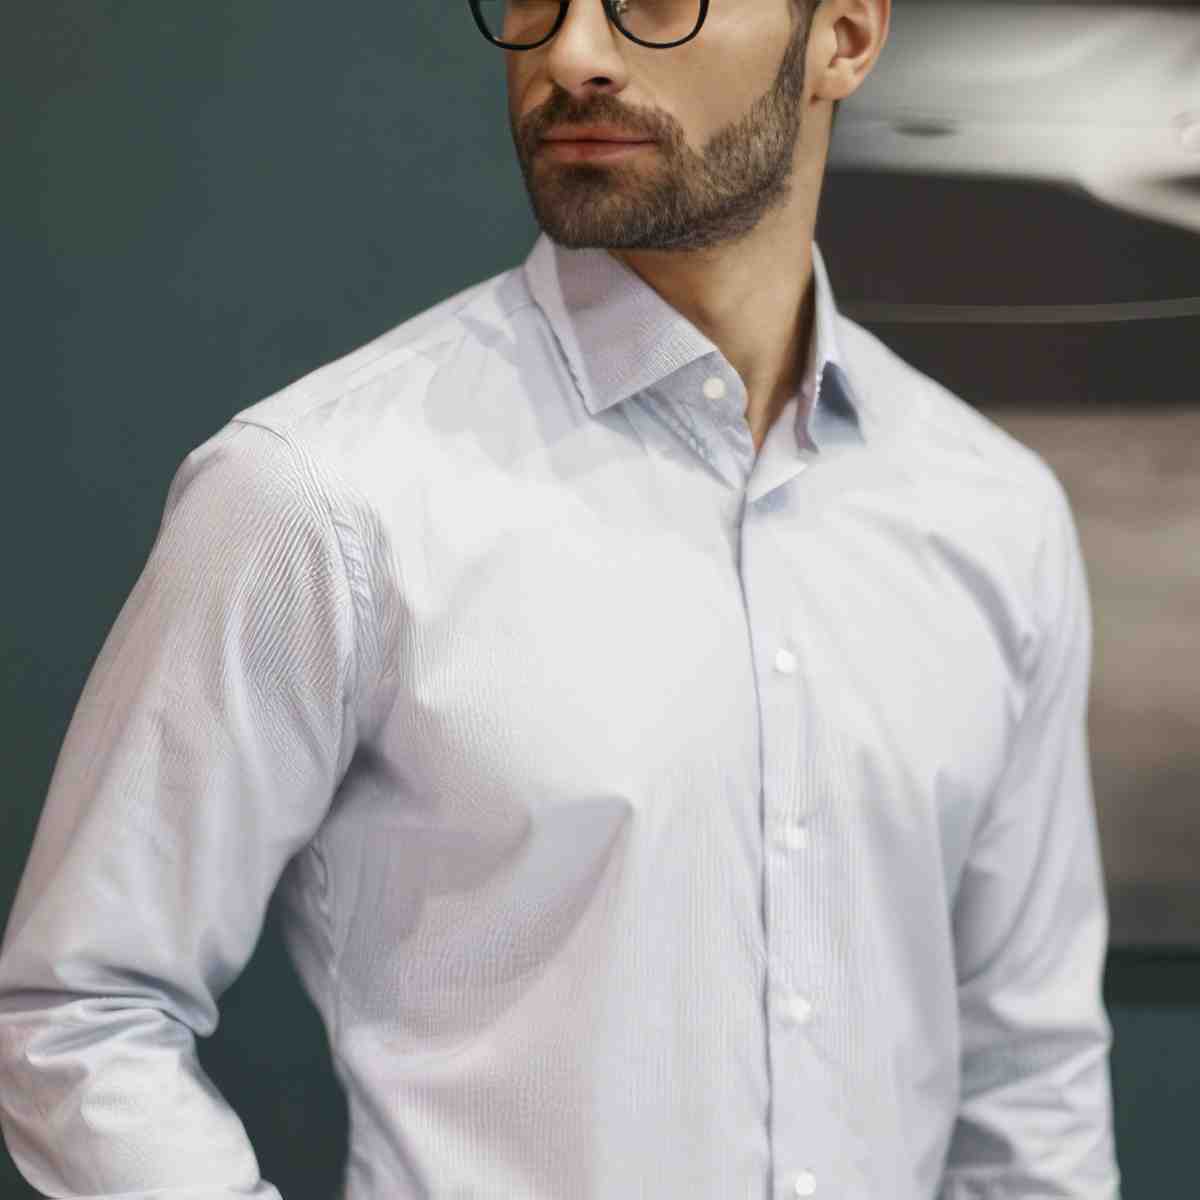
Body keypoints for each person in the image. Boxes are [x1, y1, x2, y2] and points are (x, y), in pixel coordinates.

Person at [0, 0, 1122, 1196]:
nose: (572, 53)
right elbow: (82, 1012)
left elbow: (1029, 1075)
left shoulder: (994, 512)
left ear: (842, 37)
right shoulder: (321, 492)